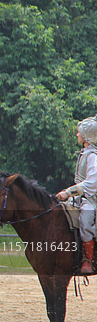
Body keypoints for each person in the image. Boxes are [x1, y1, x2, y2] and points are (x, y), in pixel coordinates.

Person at [56, 117, 97, 275]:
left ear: (87, 136)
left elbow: (92, 183)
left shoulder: (93, 156)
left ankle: (88, 260)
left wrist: (68, 192)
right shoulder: (84, 153)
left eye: (79, 132)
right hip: (79, 199)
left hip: (91, 200)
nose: (76, 134)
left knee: (85, 222)